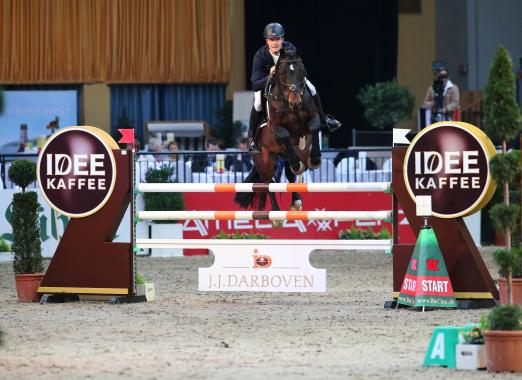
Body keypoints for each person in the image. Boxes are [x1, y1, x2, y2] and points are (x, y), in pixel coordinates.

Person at [247, 22, 333, 153]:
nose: (275, 43)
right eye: (271, 40)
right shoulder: (260, 56)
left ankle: (324, 118)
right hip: (268, 83)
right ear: (267, 41)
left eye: (277, 39)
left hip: (289, 82)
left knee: (313, 87)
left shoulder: (290, 48)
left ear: (283, 39)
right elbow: (255, 84)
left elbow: (301, 69)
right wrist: (270, 75)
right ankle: (252, 137)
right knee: (258, 103)